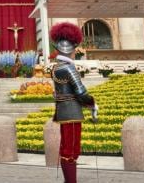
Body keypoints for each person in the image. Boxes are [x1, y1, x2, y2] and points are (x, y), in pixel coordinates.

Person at [49, 22, 98, 183]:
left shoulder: (56, 68)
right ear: (71, 49)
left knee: (67, 148)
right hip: (73, 112)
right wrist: (92, 103)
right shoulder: (69, 68)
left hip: (63, 111)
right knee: (71, 149)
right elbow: (81, 92)